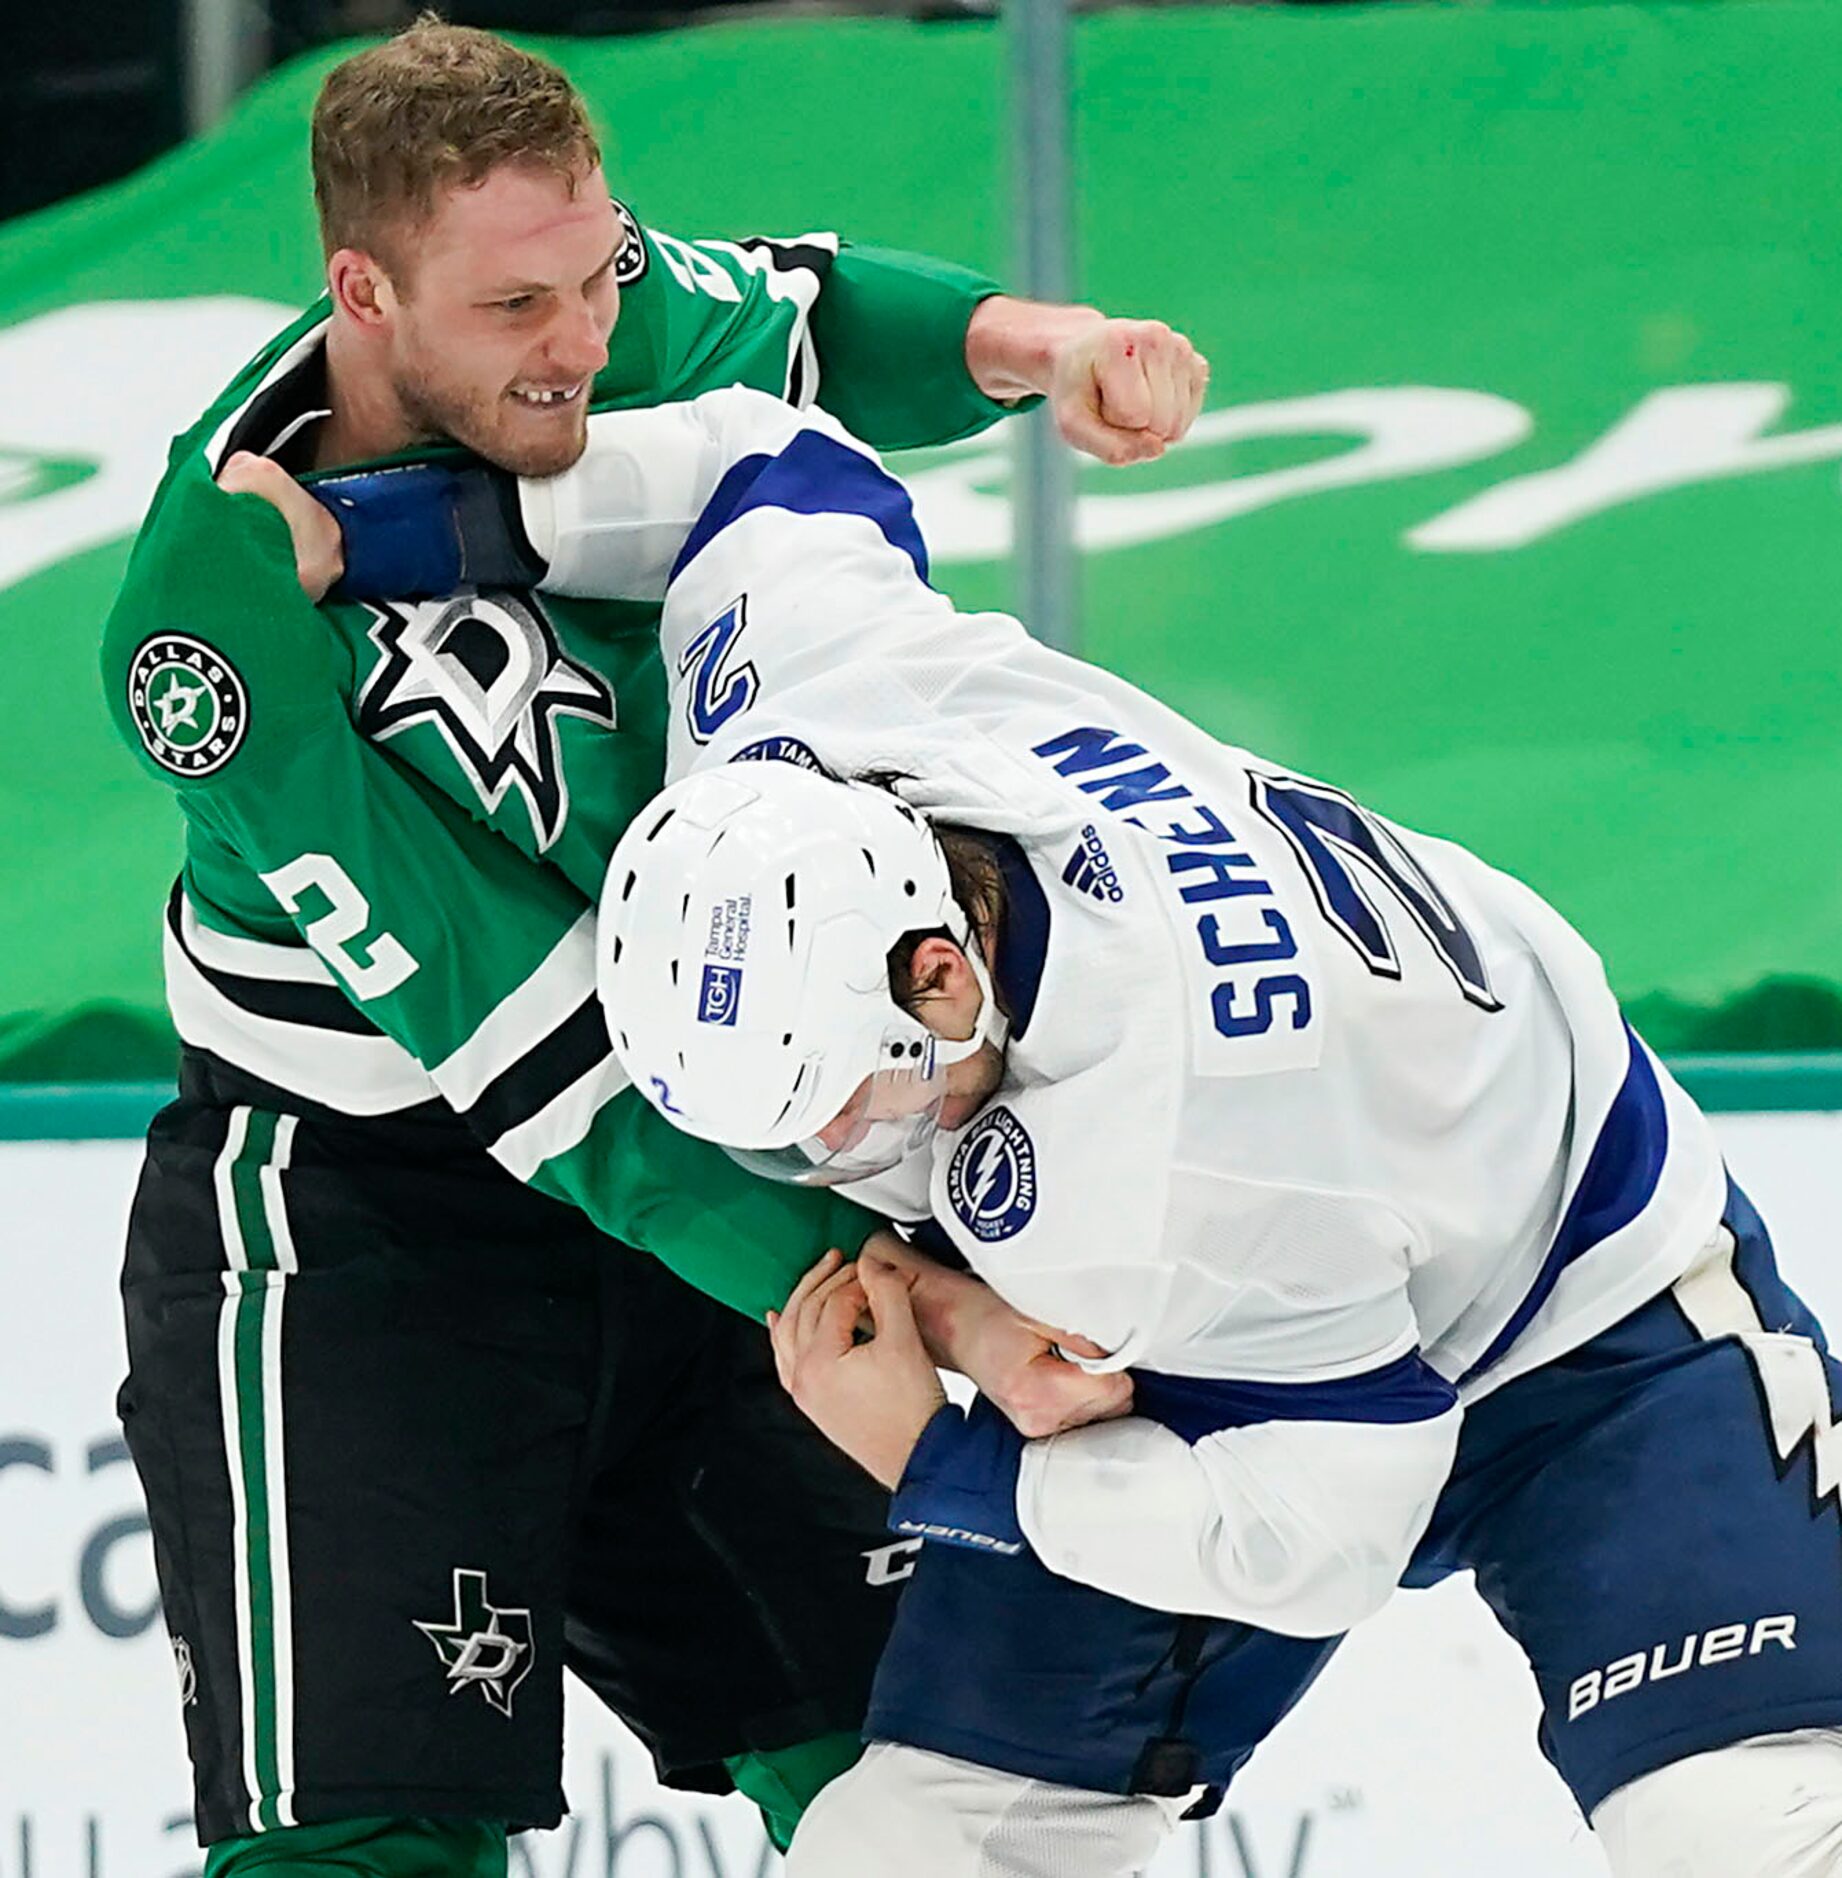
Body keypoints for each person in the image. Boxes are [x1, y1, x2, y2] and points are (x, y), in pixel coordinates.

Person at [307, 382, 1842, 1878]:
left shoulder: (1165, 1154)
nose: (829, 1167)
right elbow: (757, 463)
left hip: (1581, 1316)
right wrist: (364, 532)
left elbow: (1318, 1539)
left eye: (844, 1109)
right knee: (903, 1856)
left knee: (1748, 1836)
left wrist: (941, 1460)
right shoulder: (796, 704)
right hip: (1255, 1259)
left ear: (936, 969)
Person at [99, 18, 1203, 1875]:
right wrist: (941, 1308)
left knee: (946, 1785)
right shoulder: (203, 619)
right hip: (376, 1227)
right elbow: (528, 1048)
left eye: (600, 270)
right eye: (524, 303)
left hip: (704, 1136)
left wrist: (1052, 350)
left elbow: (803, 308)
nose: (589, 343)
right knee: (368, 1850)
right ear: (363, 292)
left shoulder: (589, 316)